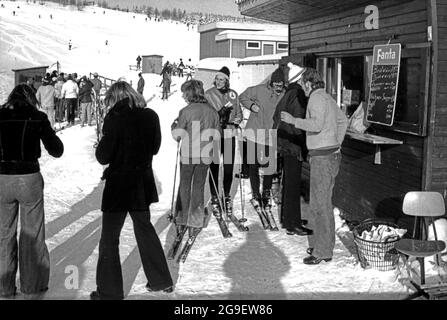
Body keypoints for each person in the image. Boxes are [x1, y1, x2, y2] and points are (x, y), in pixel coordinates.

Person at [91, 81, 173, 300]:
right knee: (145, 229)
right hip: (141, 181)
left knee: (109, 238)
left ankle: (109, 292)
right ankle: (160, 279)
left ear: (115, 98)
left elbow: (103, 157)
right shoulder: (150, 115)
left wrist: (101, 142)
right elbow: (154, 148)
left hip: (118, 183)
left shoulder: (115, 118)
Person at [0, 84, 64, 298]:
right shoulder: (37, 117)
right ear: (31, 98)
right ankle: (32, 285)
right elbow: (56, 150)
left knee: (3, 233)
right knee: (32, 233)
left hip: (2, 178)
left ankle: (4, 286)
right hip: (29, 177)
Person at [280, 68, 348, 265]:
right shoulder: (327, 97)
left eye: (303, 84)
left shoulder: (316, 99)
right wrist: (337, 142)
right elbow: (343, 120)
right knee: (324, 203)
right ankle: (324, 244)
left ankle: (322, 252)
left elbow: (316, 125)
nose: (302, 87)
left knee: (320, 206)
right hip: (331, 155)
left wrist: (294, 121)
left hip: (323, 158)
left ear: (309, 83)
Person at [171, 80, 221, 245]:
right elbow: (217, 134)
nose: (183, 96)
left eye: (185, 93)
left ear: (190, 94)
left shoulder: (185, 111)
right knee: (199, 185)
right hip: (205, 154)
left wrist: (174, 127)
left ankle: (183, 217)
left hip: (188, 154)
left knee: (185, 184)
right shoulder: (213, 112)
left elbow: (178, 135)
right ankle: (195, 219)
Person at [272, 62, 312, 236]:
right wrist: (304, 144)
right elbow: (297, 123)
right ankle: (293, 224)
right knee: (293, 184)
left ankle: (289, 219)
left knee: (288, 182)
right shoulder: (297, 95)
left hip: (284, 142)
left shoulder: (288, 93)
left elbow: (276, 116)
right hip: (293, 144)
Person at [239, 68, 285, 216]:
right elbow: (243, 96)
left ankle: (266, 193)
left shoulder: (284, 94)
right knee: (253, 164)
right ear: (271, 83)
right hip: (254, 131)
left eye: (281, 83)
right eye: (276, 83)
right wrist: (252, 106)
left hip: (270, 133)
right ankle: (255, 194)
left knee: (269, 166)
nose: (278, 86)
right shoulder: (259, 90)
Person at [204, 66, 242, 218]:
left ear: (227, 81)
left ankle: (226, 196)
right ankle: (214, 196)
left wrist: (235, 120)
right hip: (214, 134)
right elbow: (206, 114)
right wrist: (219, 116)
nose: (219, 82)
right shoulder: (208, 94)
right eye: (217, 79)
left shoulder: (233, 94)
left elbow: (239, 113)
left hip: (229, 134)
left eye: (222, 79)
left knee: (228, 167)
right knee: (214, 166)